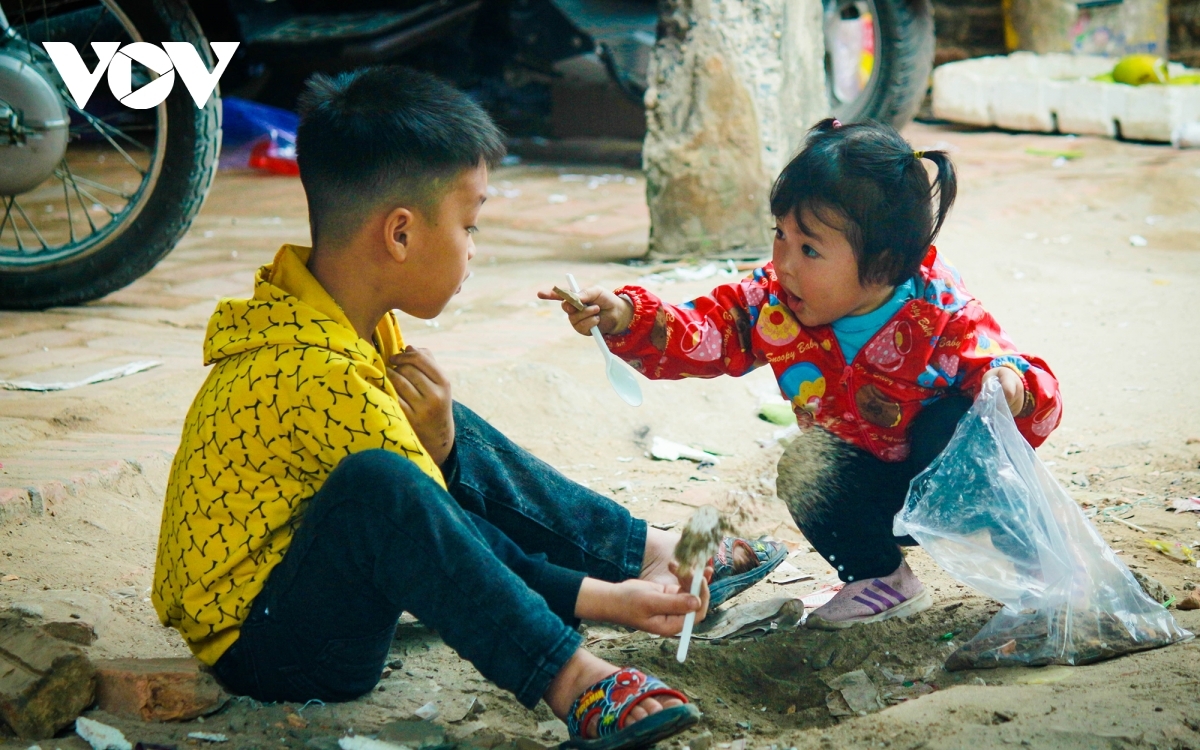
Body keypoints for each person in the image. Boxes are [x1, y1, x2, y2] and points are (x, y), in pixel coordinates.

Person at [151, 66, 781, 748]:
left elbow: (442, 514)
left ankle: (646, 552)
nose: (475, 250)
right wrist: (608, 607)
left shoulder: (328, 314)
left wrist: (445, 444)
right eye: (469, 225)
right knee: (384, 487)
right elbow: (443, 531)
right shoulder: (319, 375)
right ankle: (572, 678)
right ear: (399, 234)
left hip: (303, 582)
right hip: (277, 652)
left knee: (437, 420)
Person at [541, 118, 1063, 631]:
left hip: (956, 487)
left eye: (809, 248)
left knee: (953, 422)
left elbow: (1019, 378)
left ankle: (1040, 569)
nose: (784, 262)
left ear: (883, 266)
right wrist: (629, 317)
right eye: (780, 235)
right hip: (869, 486)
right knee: (802, 465)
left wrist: (1012, 391)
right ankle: (880, 578)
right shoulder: (774, 303)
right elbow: (707, 329)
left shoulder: (941, 315)